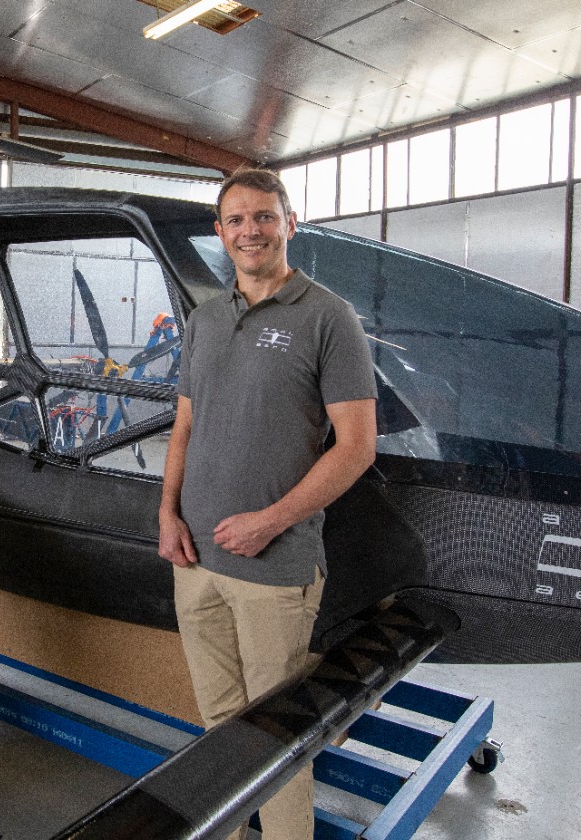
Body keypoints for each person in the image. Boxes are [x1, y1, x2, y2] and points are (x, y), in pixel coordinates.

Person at [157, 168, 377, 840]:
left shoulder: (327, 317)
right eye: (236, 220)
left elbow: (357, 446)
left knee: (279, 737)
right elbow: (186, 423)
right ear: (221, 234)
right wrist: (167, 511)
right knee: (220, 725)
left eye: (263, 217)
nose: (250, 230)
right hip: (193, 559)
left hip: (273, 570)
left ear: (289, 223)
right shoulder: (205, 318)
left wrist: (271, 522)